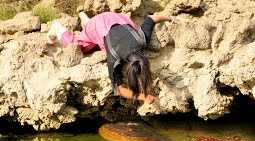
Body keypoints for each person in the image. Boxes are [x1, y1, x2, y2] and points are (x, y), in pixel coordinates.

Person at [47, 12, 178, 104]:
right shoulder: (113, 58)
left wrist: (171, 18)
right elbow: (119, 90)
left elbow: (151, 18)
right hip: (100, 26)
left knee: (94, 41)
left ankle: (87, 21)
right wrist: (143, 97)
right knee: (80, 47)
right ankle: (58, 28)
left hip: (117, 18)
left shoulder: (141, 40)